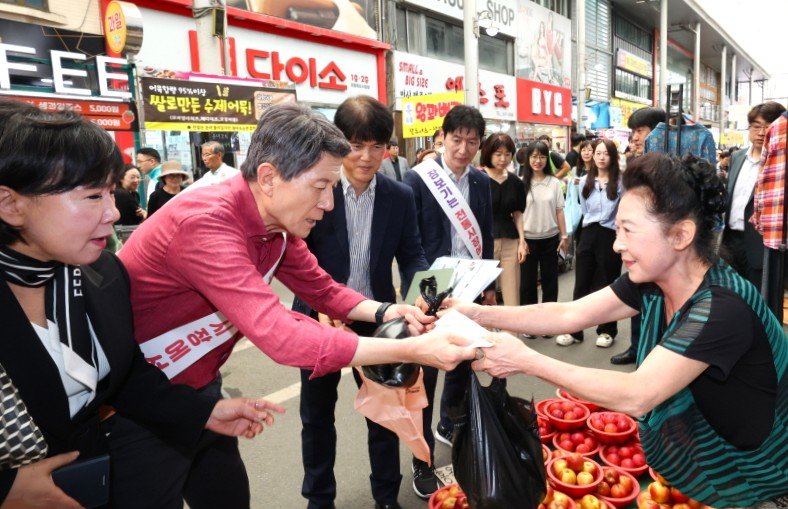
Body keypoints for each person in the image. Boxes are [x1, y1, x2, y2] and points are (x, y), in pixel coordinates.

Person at [114, 102, 475, 509]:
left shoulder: (276, 226)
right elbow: (280, 334)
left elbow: (323, 289)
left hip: (197, 386)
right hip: (138, 401)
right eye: (320, 186)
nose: (330, 203)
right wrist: (412, 348)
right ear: (269, 177)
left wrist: (387, 312)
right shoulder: (207, 224)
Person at [442, 152, 787, 509]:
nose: (617, 244)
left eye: (628, 230)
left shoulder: (722, 308)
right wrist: (477, 313)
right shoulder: (654, 279)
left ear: (681, 235)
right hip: (715, 471)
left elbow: (638, 394)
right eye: (617, 229)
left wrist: (525, 360)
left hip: (761, 484)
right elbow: (568, 314)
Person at [0, 99, 282, 508]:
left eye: (110, 192)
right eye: (92, 196)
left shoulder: (103, 275)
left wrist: (202, 412)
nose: (112, 213)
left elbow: (126, 374)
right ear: (11, 204)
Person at [294, 95, 432, 509]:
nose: (367, 157)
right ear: (339, 142)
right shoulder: (316, 188)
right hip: (318, 318)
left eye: (377, 146)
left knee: (385, 415)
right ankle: (319, 499)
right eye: (356, 145)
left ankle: (386, 498)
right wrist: (319, 303)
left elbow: (412, 254)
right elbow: (296, 256)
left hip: (378, 319)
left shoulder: (399, 196)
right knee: (317, 417)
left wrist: (424, 290)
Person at [403, 105, 495, 450]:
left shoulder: (480, 181)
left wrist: (488, 286)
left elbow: (485, 234)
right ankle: (421, 442)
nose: (463, 149)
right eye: (457, 139)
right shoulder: (418, 179)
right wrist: (423, 287)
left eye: (472, 142)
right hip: (431, 281)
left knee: (462, 358)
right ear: (442, 137)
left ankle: (449, 422)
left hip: (469, 282)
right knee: (426, 366)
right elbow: (408, 241)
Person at [609, 106, 666, 366]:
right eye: (633, 131)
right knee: (637, 293)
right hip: (634, 242)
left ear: (658, 131)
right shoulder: (634, 163)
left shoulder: (670, 165)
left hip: (659, 247)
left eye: (640, 131)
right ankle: (636, 346)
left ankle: (658, 355)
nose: (634, 137)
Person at [556, 139, 623, 348]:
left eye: (606, 154)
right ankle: (575, 330)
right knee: (581, 283)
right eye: (598, 153)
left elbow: (622, 212)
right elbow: (584, 209)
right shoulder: (584, 181)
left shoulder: (621, 182)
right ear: (593, 156)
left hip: (610, 234)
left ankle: (607, 330)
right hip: (588, 233)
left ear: (613, 157)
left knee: (608, 284)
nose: (602, 157)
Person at [723, 102, 786, 290]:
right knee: (731, 294)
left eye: (767, 127)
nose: (761, 133)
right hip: (730, 240)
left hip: (759, 242)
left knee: (758, 296)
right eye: (756, 126)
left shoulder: (778, 163)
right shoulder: (737, 157)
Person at [518, 141, 568, 322]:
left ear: (547, 159)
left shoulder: (554, 182)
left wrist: (564, 236)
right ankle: (529, 322)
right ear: (527, 159)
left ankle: (549, 321)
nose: (537, 161)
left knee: (550, 282)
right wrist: (520, 240)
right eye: (534, 156)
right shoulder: (521, 183)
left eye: (542, 157)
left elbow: (559, 211)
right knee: (527, 284)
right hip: (527, 240)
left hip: (550, 239)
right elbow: (517, 214)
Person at [480, 133, 526, 307]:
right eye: (498, 154)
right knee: (484, 296)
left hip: (510, 240)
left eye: (507, 154)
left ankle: (513, 326)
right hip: (484, 243)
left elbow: (518, 213)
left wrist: (522, 241)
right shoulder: (478, 179)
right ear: (488, 153)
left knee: (512, 294)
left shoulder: (515, 181)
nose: (503, 159)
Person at [752, 109, 788, 323]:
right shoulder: (778, 129)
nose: (760, 132)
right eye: (755, 126)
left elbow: (762, 182)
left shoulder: (779, 129)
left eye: (763, 126)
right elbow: (763, 181)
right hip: (776, 228)